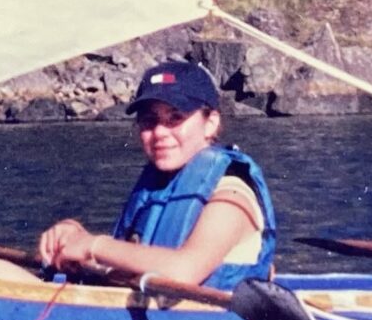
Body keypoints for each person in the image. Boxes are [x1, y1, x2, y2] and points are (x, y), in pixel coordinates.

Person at [33, 59, 278, 289]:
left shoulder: (233, 194)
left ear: (210, 123)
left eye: (175, 118)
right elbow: (132, 259)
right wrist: (71, 237)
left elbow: (185, 270)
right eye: (149, 121)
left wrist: (92, 246)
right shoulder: (159, 185)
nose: (159, 131)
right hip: (137, 313)